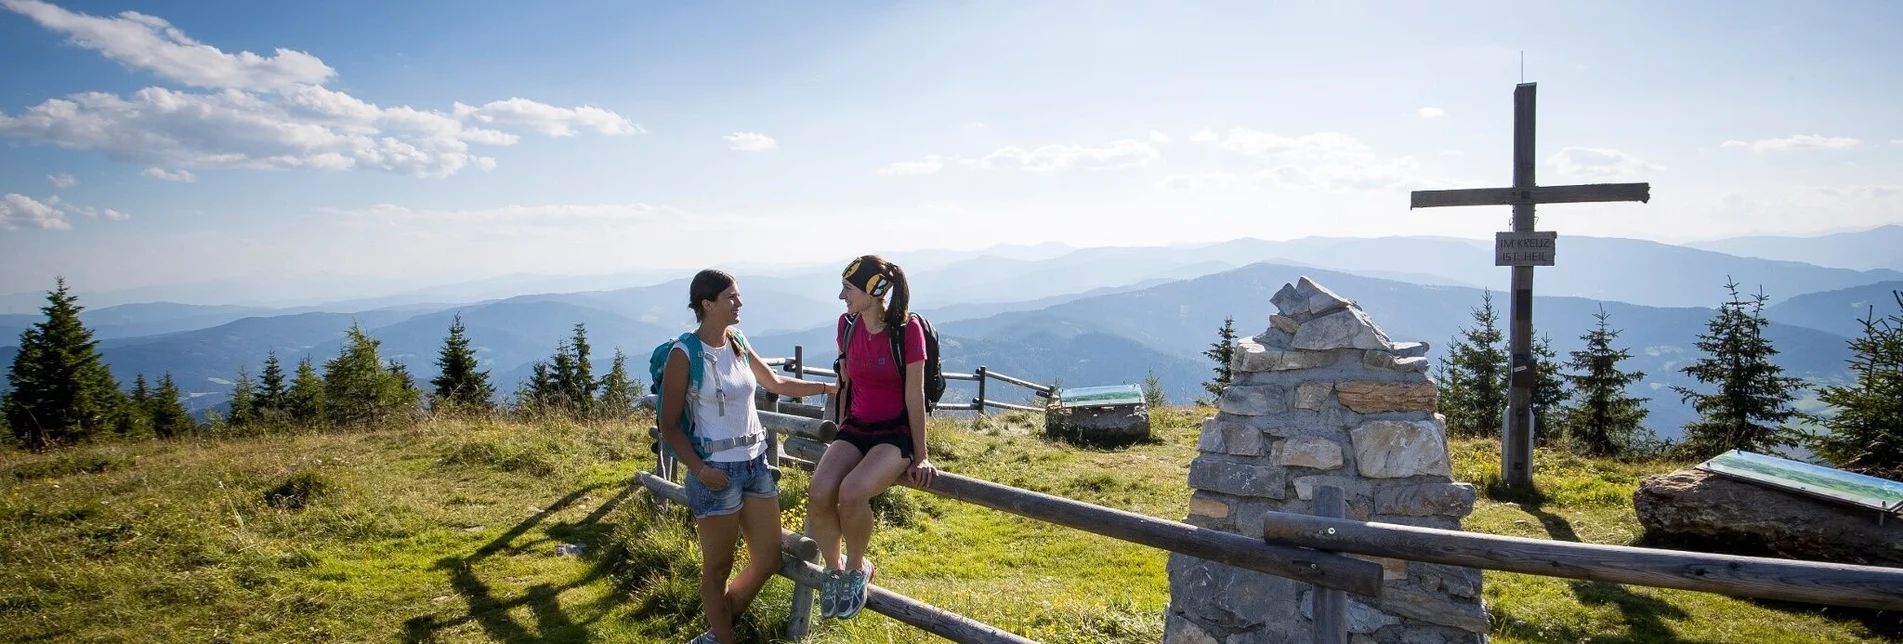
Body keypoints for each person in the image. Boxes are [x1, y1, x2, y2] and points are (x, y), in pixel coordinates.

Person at [657, 269, 839, 644]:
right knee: (718, 566)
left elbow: (776, 384)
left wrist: (828, 386)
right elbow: (669, 425)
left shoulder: (737, 340)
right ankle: (725, 638)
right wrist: (700, 470)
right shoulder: (684, 354)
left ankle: (717, 629)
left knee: (769, 559)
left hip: (756, 465)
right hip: (715, 471)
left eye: (738, 297)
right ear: (707, 305)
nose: (739, 304)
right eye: (731, 298)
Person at [807, 255, 938, 620]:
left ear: (873, 290)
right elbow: (846, 380)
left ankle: (856, 568)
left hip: (894, 432)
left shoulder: (907, 330)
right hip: (856, 426)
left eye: (847, 289)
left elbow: (915, 396)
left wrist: (921, 454)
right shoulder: (847, 326)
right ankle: (834, 571)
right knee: (818, 492)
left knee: (851, 492)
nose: (841, 297)